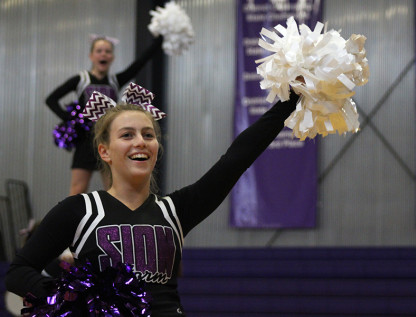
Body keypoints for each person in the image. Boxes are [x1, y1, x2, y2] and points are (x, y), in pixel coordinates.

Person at [5, 83, 301, 316]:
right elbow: (18, 272)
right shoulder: (80, 210)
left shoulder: (176, 210)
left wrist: (290, 99)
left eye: (148, 134)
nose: (140, 141)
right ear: (105, 151)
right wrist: (72, 297)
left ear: (157, 147)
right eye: (127, 135)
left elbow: (235, 160)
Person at [46, 35, 162, 195]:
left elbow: (138, 64)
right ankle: (74, 221)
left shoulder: (115, 80)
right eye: (99, 51)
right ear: (91, 55)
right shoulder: (81, 79)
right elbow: (51, 100)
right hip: (85, 141)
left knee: (113, 188)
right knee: (78, 189)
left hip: (108, 140)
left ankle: (112, 220)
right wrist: (70, 120)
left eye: (107, 51)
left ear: (112, 57)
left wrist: (158, 42)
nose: (103, 54)